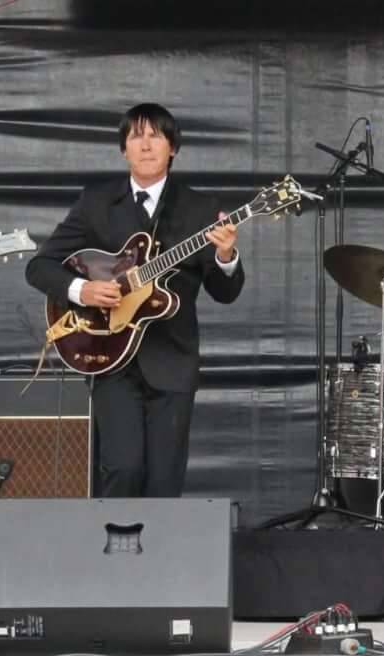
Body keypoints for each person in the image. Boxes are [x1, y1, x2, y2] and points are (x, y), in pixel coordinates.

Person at [26, 102, 243, 498]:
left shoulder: (199, 209)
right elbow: (40, 267)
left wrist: (226, 255)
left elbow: (225, 293)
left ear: (173, 147)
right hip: (108, 356)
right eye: (136, 137)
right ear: (123, 149)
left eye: (155, 136)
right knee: (122, 469)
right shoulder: (96, 203)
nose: (145, 145)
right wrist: (83, 290)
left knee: (164, 482)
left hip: (172, 361)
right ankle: (113, 541)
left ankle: (159, 544)